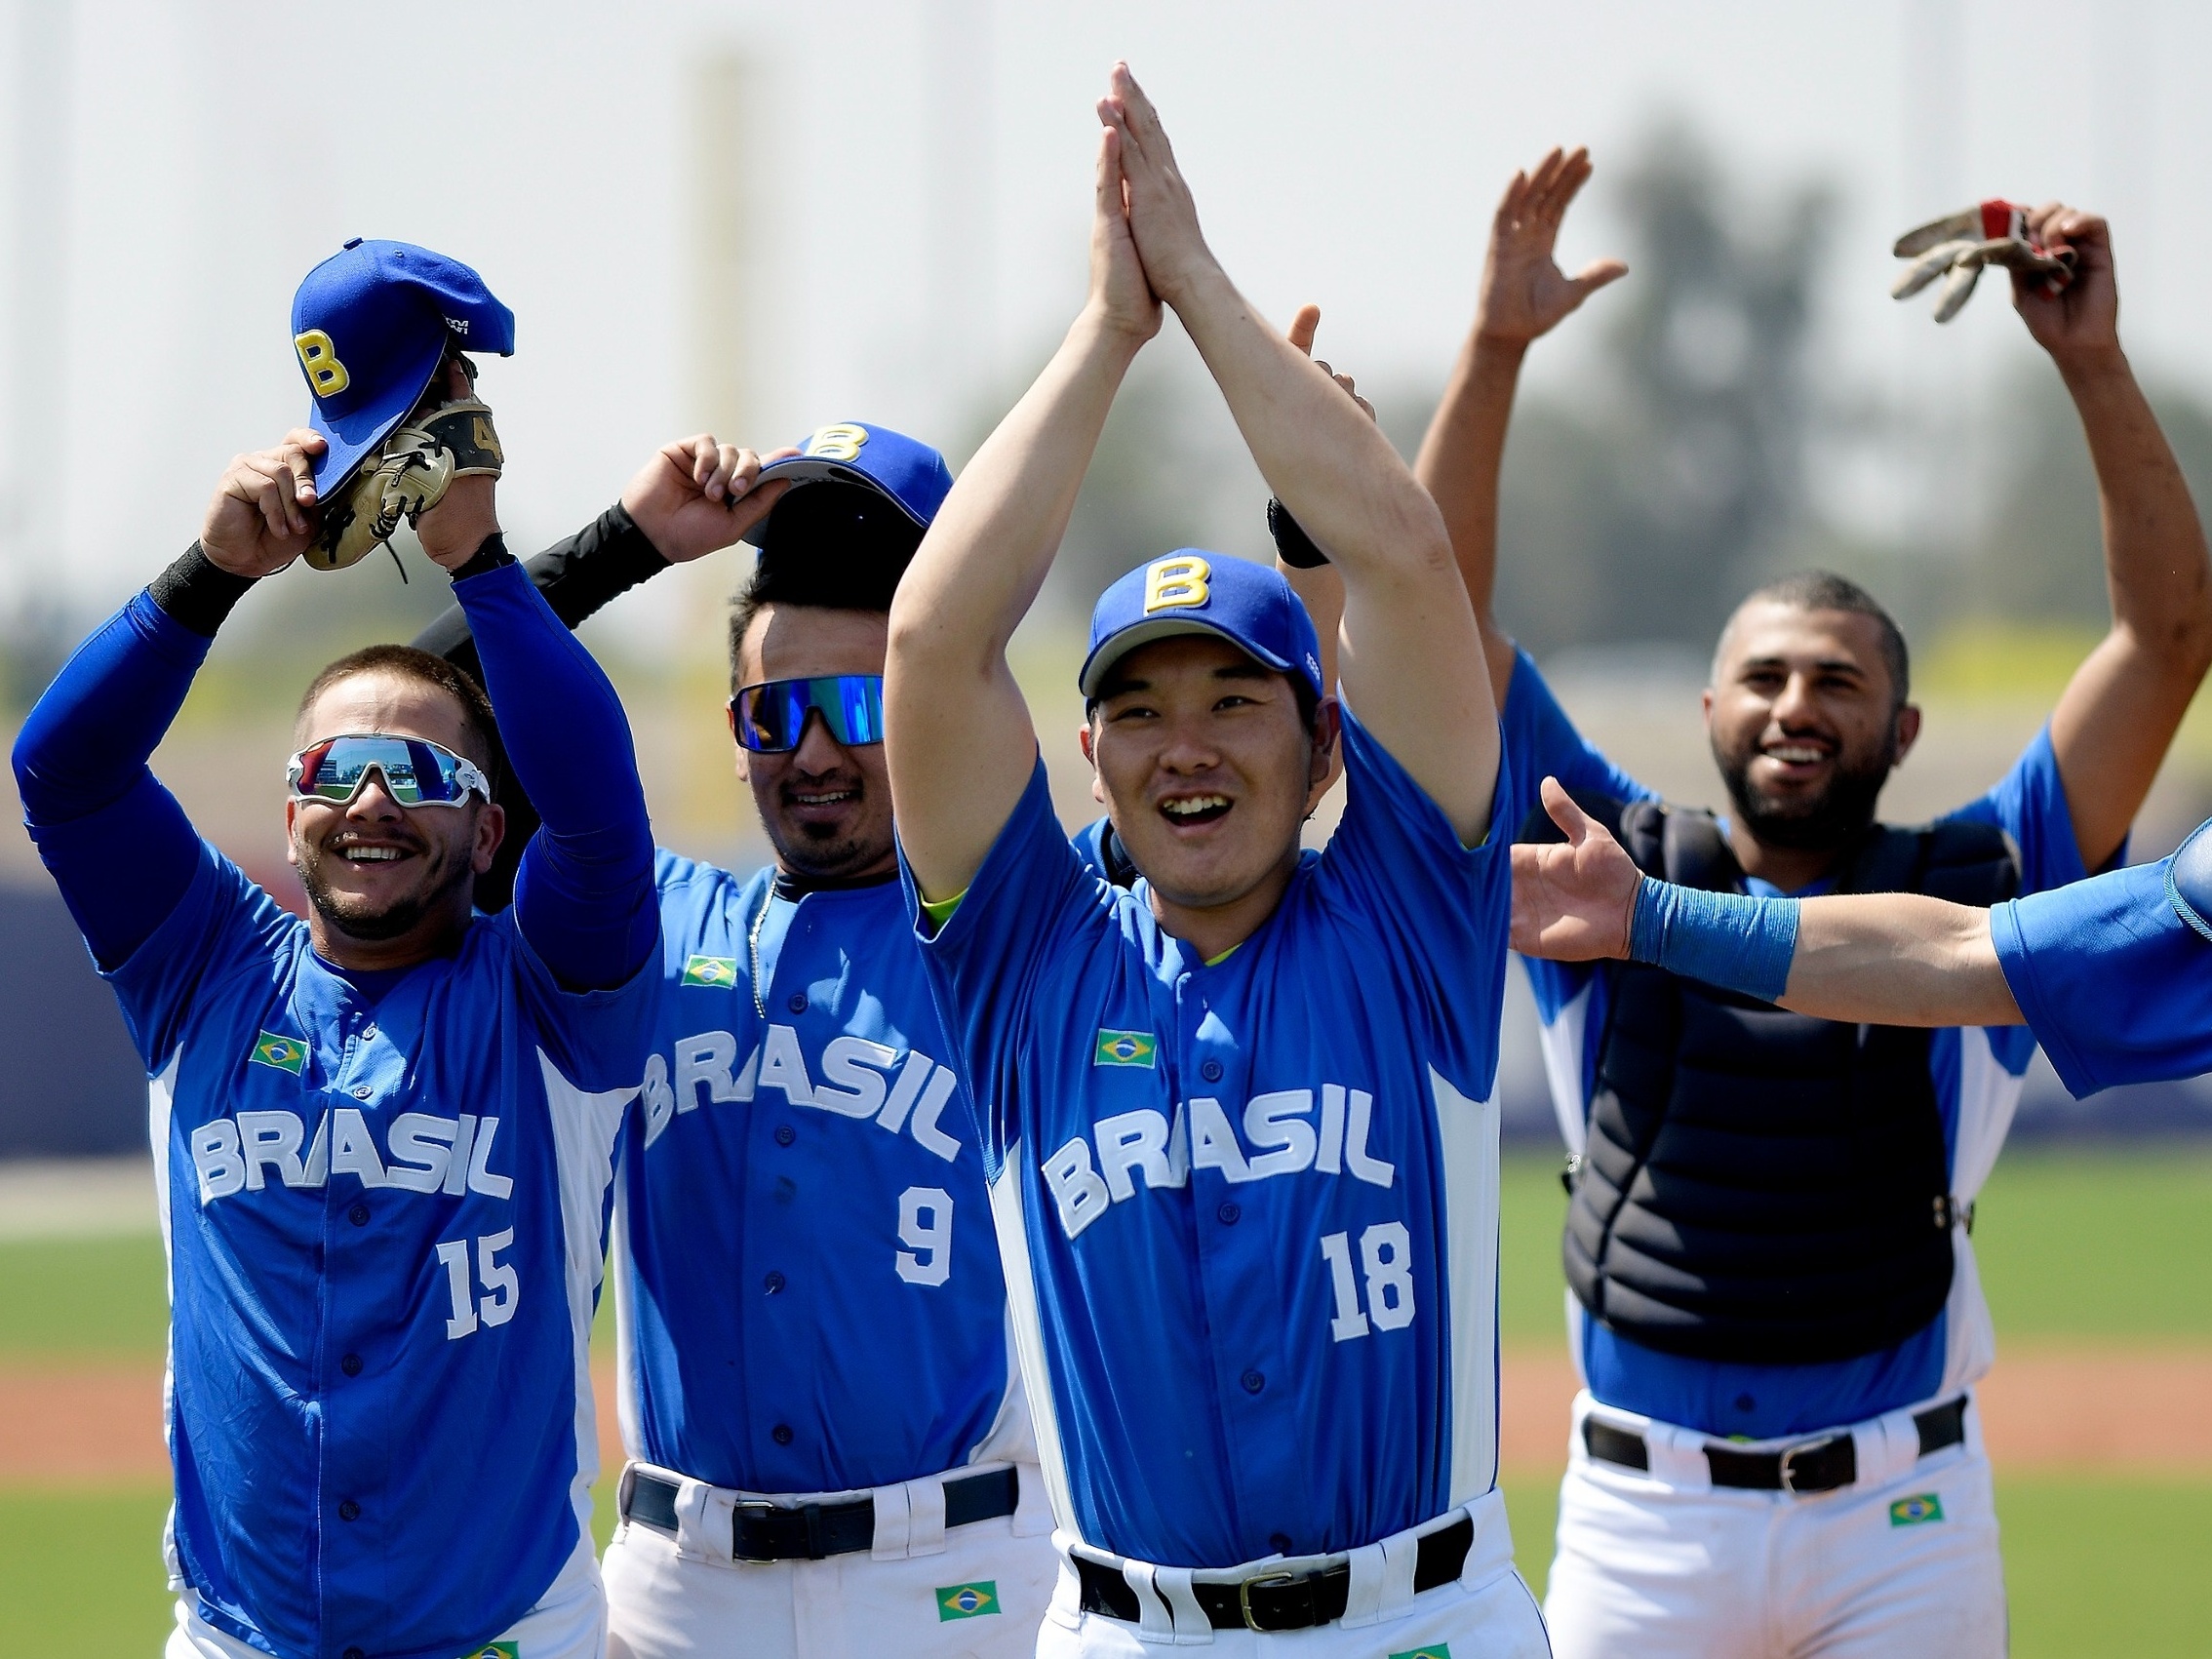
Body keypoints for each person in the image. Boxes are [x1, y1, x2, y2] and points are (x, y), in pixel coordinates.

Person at [1403, 172, 2212, 1657]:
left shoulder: (1988, 875)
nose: (1797, 704)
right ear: (1711, 705)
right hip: (1645, 1523)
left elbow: (2167, 642)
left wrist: (2091, 364)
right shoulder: (1603, 855)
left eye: (1841, 682)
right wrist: (1496, 349)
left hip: (1901, 1522)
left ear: (1903, 731)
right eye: (1767, 675)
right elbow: (1429, 619)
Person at [886, 63, 1547, 1658]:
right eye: (1140, 711)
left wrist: (1193, 283)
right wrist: (1107, 333)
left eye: (1234, 702)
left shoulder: (1410, 919)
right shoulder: (1026, 963)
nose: (1186, 745)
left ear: (1325, 748)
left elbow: (1398, 558)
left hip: (1421, 1620)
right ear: (1088, 763)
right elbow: (931, 636)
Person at [9, 252, 659, 1659]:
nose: (372, 796)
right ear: (291, 807)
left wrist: (483, 557)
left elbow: (601, 820)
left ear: (491, 838)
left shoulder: (552, 1006)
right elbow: (62, 771)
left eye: (419, 771)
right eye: (339, 763)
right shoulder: (205, 968)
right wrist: (208, 577)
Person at [413, 422, 1062, 1659]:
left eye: (854, 705)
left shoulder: (1024, 931)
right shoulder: (646, 921)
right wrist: (629, 547)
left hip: (958, 1581)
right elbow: (418, 714)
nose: (812, 751)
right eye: (773, 715)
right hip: (681, 1594)